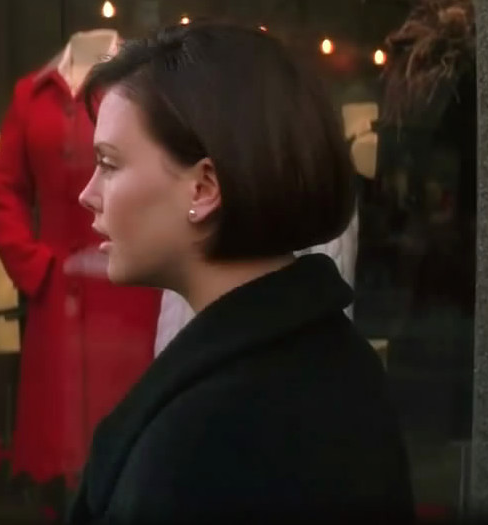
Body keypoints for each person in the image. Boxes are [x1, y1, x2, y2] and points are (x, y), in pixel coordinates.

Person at [65, 21, 415, 524]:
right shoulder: (331, 361)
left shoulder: (203, 439)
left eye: (110, 163)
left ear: (204, 187)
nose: (88, 194)